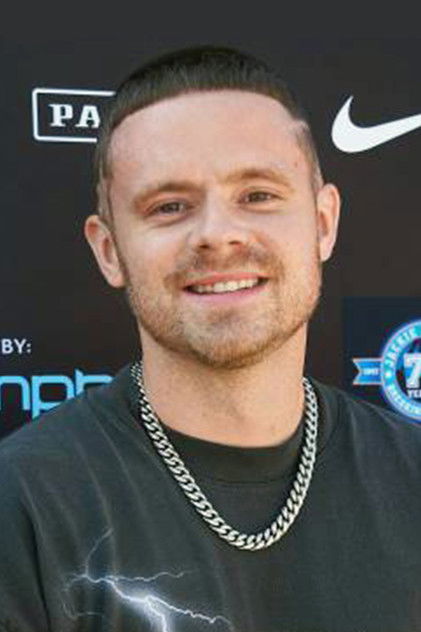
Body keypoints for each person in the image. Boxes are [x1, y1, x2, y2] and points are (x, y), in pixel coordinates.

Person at [1, 45, 421, 632]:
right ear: (109, 250)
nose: (218, 235)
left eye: (258, 195)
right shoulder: (21, 505)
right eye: (169, 206)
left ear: (323, 223)